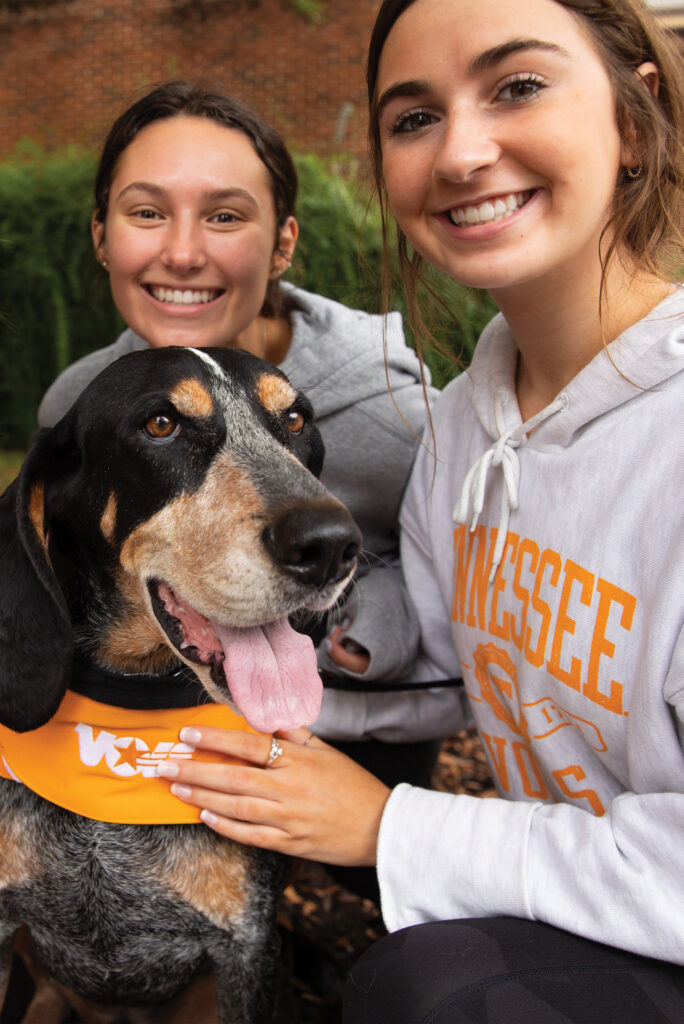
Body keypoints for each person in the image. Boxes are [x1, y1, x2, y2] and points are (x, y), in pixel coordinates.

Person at [154, 1, 684, 1019]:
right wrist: (231, 711)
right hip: (596, 885)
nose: (463, 151)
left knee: (424, 986)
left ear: (634, 112)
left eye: (518, 86)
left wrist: (390, 828)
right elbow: (444, 670)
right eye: (412, 118)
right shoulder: (466, 422)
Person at [37, 82, 444, 842]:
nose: (183, 252)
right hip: (151, 727)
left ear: (284, 243)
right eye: (147, 212)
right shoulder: (80, 405)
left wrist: (345, 628)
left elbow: (463, 577)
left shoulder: (395, 420)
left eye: (224, 216)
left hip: (357, 729)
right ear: (101, 236)